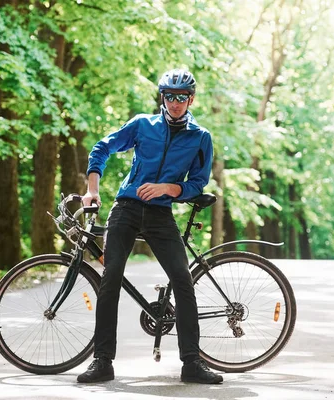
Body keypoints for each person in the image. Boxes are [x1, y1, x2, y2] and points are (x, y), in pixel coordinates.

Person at [78, 69, 222, 384]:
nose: (175, 103)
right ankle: (102, 361)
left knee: (183, 281)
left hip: (160, 213)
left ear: (191, 99)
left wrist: (169, 189)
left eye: (181, 97)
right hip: (126, 208)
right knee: (110, 277)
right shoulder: (143, 125)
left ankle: (192, 363)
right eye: (169, 96)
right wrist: (92, 189)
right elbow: (102, 148)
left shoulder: (200, 137)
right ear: (162, 97)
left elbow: (198, 182)